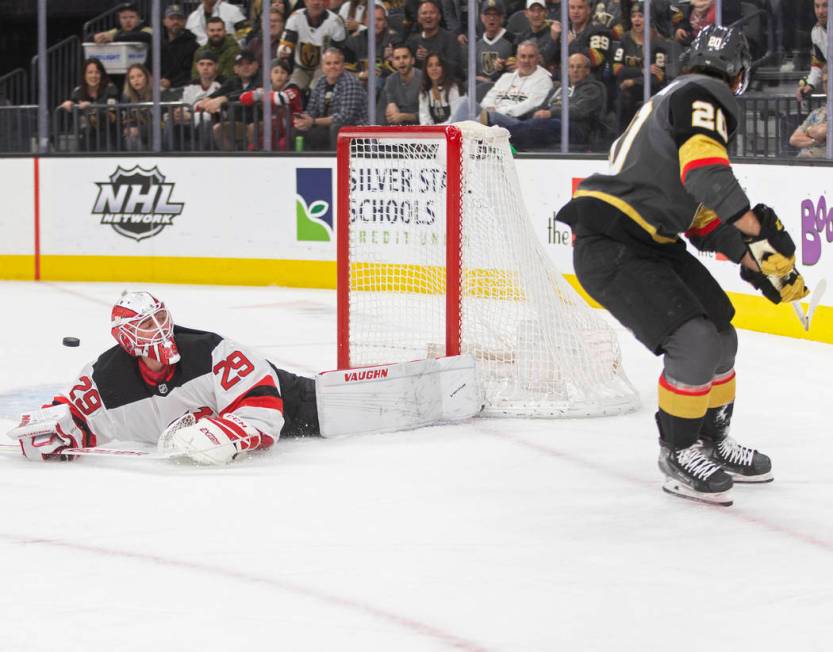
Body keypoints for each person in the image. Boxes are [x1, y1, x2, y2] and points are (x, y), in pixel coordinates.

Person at [555, 26, 809, 506]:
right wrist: (755, 231)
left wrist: (755, 259)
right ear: (737, 76)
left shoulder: (676, 97)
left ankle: (711, 440)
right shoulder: (706, 93)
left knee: (721, 332)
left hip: (644, 239)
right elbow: (706, 173)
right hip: (615, 242)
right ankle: (678, 450)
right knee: (693, 338)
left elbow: (702, 215)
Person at [7, 292, 319, 465]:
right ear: (125, 338)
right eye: (146, 324)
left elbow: (261, 401)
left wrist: (228, 432)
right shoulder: (105, 377)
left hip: (287, 402)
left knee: (323, 406)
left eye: (160, 317)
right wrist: (53, 434)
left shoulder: (209, 350)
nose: (159, 328)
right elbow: (71, 416)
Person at [506, 52, 605, 148]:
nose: (575, 70)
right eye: (571, 66)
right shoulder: (558, 87)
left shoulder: (593, 89)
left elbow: (578, 110)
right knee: (502, 118)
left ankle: (505, 137)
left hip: (575, 128)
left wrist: (551, 113)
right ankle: (504, 135)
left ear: (587, 71)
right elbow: (541, 106)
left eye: (579, 67)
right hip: (548, 122)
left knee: (541, 125)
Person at [453, 40, 552, 127]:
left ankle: (463, 133)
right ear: (517, 58)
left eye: (531, 57)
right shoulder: (506, 77)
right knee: (466, 103)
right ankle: (449, 132)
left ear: (538, 58)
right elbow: (489, 98)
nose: (526, 60)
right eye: (523, 56)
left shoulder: (544, 80)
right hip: (490, 115)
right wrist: (488, 108)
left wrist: (498, 111)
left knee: (490, 116)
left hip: (517, 121)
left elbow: (530, 105)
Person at [293, 47, 368, 150]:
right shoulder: (321, 82)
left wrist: (313, 121)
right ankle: (300, 163)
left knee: (335, 128)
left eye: (336, 63)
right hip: (326, 127)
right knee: (298, 130)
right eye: (328, 63)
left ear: (343, 65)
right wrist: (304, 119)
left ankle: (335, 163)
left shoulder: (350, 82)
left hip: (354, 132)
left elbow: (344, 117)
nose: (332, 66)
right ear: (322, 67)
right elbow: (312, 110)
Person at [612, 1, 668, 131]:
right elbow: (617, 70)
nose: (636, 19)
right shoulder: (625, 39)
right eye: (634, 16)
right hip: (626, 88)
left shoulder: (658, 43)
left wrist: (633, 81)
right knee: (622, 98)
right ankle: (620, 138)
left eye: (641, 16)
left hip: (651, 91)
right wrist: (643, 71)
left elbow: (658, 77)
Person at [198, 50, 262, 151]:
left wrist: (225, 98)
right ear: (235, 69)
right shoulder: (233, 81)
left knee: (252, 128)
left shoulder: (262, 79)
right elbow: (217, 94)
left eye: (249, 63)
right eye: (240, 65)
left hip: (259, 122)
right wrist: (207, 101)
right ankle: (231, 160)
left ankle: (253, 160)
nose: (245, 67)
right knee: (218, 129)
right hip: (238, 123)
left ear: (256, 65)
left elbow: (250, 93)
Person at [279, 0, 348, 91]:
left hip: (324, 68)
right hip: (300, 67)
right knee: (292, 91)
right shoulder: (295, 17)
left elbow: (340, 51)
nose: (316, 2)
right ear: (305, 2)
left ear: (325, 2)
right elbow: (288, 41)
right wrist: (284, 50)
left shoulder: (335, 22)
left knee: (316, 90)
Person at [59, 58, 120, 152]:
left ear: (102, 75)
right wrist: (68, 105)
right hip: (85, 138)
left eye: (97, 72)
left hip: (108, 138)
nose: (93, 76)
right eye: (90, 72)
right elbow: (72, 119)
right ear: (84, 75)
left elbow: (112, 118)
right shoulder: (77, 92)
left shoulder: (111, 89)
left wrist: (94, 108)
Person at [240, 58, 303, 149]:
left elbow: (281, 98)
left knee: (281, 145)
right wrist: (258, 94)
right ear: (269, 75)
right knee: (253, 145)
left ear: (288, 76)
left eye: (283, 72)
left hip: (293, 129)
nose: (279, 76)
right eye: (276, 72)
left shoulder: (293, 89)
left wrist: (261, 95)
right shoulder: (265, 88)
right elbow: (243, 97)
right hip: (273, 130)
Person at [168, 50, 223, 150]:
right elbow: (184, 106)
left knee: (205, 120)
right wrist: (177, 113)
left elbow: (214, 115)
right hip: (189, 124)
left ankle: (204, 155)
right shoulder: (191, 86)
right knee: (170, 120)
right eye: (201, 64)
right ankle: (171, 155)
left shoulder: (223, 84)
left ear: (216, 66)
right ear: (196, 66)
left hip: (212, 126)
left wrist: (191, 117)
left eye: (209, 64)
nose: (205, 68)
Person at [344, 3, 398, 87]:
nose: (375, 23)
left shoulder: (394, 40)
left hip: (385, 84)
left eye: (379, 19)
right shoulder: (353, 40)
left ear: (385, 22)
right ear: (365, 21)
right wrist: (361, 75)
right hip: (359, 82)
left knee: (375, 83)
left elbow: (400, 70)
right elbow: (344, 69)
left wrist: (390, 61)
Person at [406, 0, 463, 77]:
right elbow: (407, 68)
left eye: (432, 13)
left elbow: (457, 69)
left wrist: (430, 57)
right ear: (418, 18)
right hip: (421, 85)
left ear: (439, 17)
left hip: (447, 84)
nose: (428, 16)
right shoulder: (412, 42)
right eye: (424, 13)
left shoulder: (450, 38)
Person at [475, 0, 517, 83]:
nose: (491, 18)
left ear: (502, 17)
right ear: (482, 17)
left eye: (495, 14)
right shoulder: (476, 42)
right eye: (488, 14)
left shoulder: (513, 40)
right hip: (480, 88)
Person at [160, 4, 200, 90]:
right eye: (171, 18)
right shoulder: (157, 44)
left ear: (185, 22)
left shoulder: (193, 45)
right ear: (164, 21)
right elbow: (148, 68)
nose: (175, 22)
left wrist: (171, 82)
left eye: (179, 18)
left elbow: (190, 72)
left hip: (182, 89)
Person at [383, 43, 423, 125]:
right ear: (393, 63)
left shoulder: (423, 79)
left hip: (422, 126)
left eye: (405, 57)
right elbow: (391, 106)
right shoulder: (390, 80)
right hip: (400, 129)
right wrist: (391, 110)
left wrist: (404, 116)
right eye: (397, 58)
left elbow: (429, 114)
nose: (401, 61)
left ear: (412, 60)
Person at [796, 0, 828, 102]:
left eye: (825, 6)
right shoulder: (816, 32)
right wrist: (809, 84)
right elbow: (818, 64)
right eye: (817, 6)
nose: (820, 11)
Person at [419, 52, 464, 124]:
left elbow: (456, 119)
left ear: (444, 67)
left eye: (438, 65)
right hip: (434, 133)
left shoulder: (454, 88)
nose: (434, 68)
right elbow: (424, 119)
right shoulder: (425, 91)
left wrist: (436, 129)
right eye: (430, 65)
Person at [120, 63, 153, 151]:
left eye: (139, 76)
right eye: (132, 77)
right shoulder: (127, 98)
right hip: (137, 137)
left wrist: (140, 130)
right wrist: (129, 129)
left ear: (146, 77)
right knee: (130, 138)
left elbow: (161, 124)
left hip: (155, 136)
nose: (136, 80)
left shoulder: (158, 95)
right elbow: (127, 120)